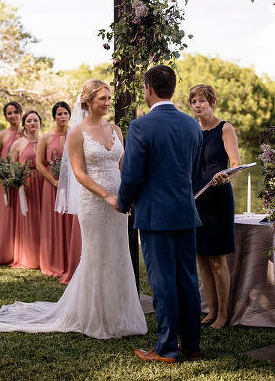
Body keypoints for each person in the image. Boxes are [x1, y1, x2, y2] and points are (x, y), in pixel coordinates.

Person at [0, 80, 147, 339]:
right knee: (97, 255)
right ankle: (95, 316)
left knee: (119, 252)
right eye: (103, 98)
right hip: (95, 202)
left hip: (118, 204)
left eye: (109, 97)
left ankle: (121, 314)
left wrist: (128, 194)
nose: (108, 102)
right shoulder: (78, 132)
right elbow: (78, 173)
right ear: (88, 102)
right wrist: (107, 196)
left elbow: (123, 165)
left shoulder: (116, 130)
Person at [117, 65, 203, 363]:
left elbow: (131, 175)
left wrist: (123, 202)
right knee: (188, 280)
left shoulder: (141, 126)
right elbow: (193, 172)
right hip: (185, 212)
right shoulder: (193, 125)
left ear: (148, 89)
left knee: (163, 283)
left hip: (155, 215)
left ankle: (166, 348)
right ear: (174, 89)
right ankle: (191, 344)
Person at [189, 84, 241, 329]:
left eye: (202, 101)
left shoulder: (225, 128)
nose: (198, 105)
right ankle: (210, 311)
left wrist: (225, 176)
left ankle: (223, 314)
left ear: (212, 103)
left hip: (218, 199)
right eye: (194, 101)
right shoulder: (191, 130)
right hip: (196, 199)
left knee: (218, 260)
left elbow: (235, 163)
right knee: (201, 259)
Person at [35, 101, 71, 279]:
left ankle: (71, 260)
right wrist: (54, 181)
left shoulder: (76, 135)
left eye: (65, 113)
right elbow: (39, 164)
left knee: (70, 222)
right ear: (54, 117)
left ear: (70, 115)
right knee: (54, 222)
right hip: (51, 186)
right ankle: (54, 262)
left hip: (72, 186)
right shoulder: (46, 138)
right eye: (59, 114)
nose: (63, 117)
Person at [0, 101, 24, 265]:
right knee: (7, 216)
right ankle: (4, 253)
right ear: (5, 116)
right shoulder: (1, 136)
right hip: (6, 181)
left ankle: (23, 252)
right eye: (9, 113)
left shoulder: (27, 132)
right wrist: (4, 176)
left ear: (20, 113)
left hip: (23, 181)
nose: (13, 115)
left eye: (15, 112)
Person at [9, 110, 43, 269]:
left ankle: (44, 255)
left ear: (40, 123)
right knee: (29, 217)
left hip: (44, 183)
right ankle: (29, 257)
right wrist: (18, 180)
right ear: (24, 124)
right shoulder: (19, 143)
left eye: (35, 120)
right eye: (29, 120)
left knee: (44, 218)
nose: (33, 123)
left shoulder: (45, 140)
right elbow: (12, 164)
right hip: (27, 182)